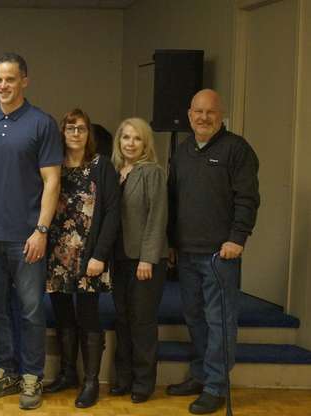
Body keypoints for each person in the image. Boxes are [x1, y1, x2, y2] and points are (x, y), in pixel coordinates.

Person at [0, 52, 62, 410]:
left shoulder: (42, 123)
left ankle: (31, 377)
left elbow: (52, 181)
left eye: (10, 79)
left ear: (24, 80)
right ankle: (6, 371)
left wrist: (41, 229)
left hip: (28, 236)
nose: (3, 85)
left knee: (29, 310)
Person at [166, 89, 260, 415]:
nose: (204, 118)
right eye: (198, 112)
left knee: (219, 321)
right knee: (195, 318)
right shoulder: (181, 152)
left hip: (221, 255)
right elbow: (174, 202)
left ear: (221, 115)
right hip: (187, 252)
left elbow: (247, 199)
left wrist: (238, 238)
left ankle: (216, 386)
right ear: (189, 114)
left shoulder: (237, 150)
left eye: (210, 112)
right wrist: (172, 242)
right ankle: (200, 374)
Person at [44, 108, 119, 409]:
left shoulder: (102, 166)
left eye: (81, 129)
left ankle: (90, 381)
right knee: (63, 316)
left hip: (90, 256)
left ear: (90, 134)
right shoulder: (54, 166)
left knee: (88, 317)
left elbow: (113, 212)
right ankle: (67, 373)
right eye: (70, 128)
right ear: (62, 132)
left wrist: (100, 254)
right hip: (58, 254)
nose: (76, 134)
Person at [109, 117, 168, 403]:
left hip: (144, 262)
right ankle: (123, 378)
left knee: (142, 322)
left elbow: (157, 218)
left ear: (146, 144)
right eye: (126, 137)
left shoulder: (152, 173)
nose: (130, 143)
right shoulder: (116, 171)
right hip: (119, 259)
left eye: (137, 139)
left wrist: (148, 258)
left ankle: (143, 383)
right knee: (122, 320)